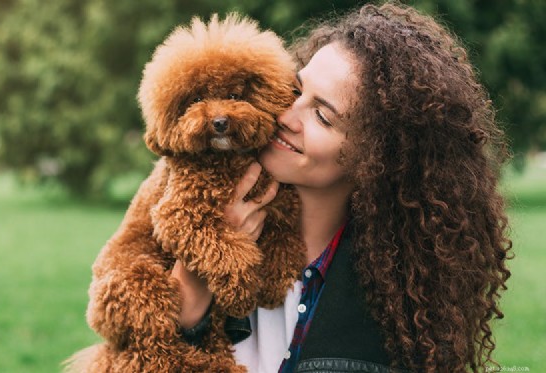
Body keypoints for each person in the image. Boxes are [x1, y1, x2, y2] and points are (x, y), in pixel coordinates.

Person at [172, 3, 512, 372]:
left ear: (377, 157)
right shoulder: (193, 210)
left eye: (322, 115)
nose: (286, 116)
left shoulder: (397, 302)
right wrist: (197, 267)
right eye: (295, 90)